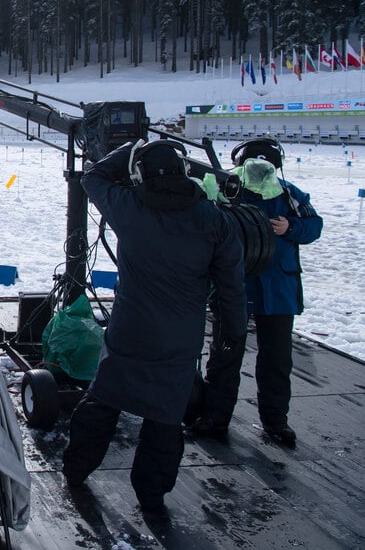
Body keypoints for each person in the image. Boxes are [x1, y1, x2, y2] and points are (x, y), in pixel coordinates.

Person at [61, 139, 246, 514]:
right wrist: (234, 336)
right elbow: (231, 289)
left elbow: (94, 176)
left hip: (130, 332)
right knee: (164, 420)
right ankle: (151, 496)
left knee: (102, 404)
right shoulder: (215, 220)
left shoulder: (130, 208)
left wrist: (128, 147)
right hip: (179, 341)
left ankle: (76, 470)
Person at [189, 137, 322, 447]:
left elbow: (314, 225)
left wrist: (290, 227)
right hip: (235, 287)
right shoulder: (226, 187)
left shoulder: (290, 195)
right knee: (225, 356)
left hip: (277, 291)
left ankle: (276, 421)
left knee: (276, 360)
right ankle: (216, 417)